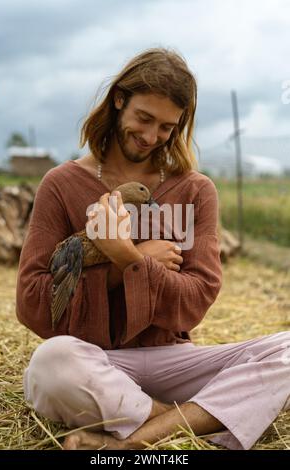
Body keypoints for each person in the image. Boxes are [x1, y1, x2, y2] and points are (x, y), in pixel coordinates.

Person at [16, 47, 290, 451]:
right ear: (119, 100)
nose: (150, 137)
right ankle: (191, 419)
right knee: (50, 365)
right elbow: (32, 303)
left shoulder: (195, 189)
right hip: (97, 360)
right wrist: (123, 262)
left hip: (174, 359)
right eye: (144, 118)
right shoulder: (61, 185)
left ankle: (131, 440)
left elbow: (196, 301)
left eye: (166, 127)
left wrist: (129, 258)